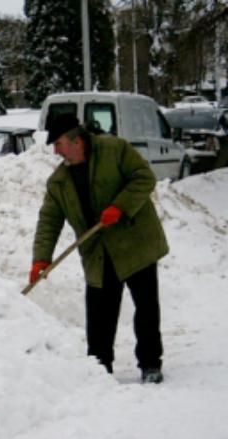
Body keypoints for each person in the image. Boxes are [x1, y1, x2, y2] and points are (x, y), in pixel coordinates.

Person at [29, 113, 168, 383]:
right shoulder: (58, 182)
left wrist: (120, 206)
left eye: (58, 144)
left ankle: (150, 363)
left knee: (146, 307)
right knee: (99, 312)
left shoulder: (114, 150)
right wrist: (40, 259)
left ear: (76, 140)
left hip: (135, 242)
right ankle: (99, 368)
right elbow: (49, 221)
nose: (55, 151)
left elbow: (143, 178)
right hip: (98, 252)